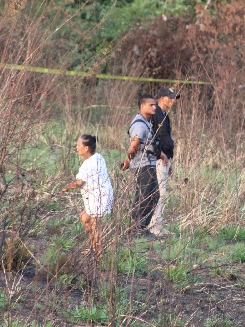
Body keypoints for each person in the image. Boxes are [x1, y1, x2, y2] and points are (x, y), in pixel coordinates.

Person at [121, 94, 168, 237]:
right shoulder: (140, 125)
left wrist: (160, 155)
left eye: (155, 105)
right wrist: (129, 160)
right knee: (143, 197)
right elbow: (134, 145)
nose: (154, 107)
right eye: (151, 105)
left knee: (153, 195)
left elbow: (147, 145)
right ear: (142, 106)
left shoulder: (147, 122)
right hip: (143, 165)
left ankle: (142, 228)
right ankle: (136, 229)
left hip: (148, 163)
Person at [61, 134, 114, 257]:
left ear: (86, 148)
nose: (77, 148)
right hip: (96, 195)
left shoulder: (88, 164)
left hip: (100, 196)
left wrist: (66, 187)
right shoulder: (98, 157)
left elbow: (79, 183)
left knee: (95, 224)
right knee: (85, 218)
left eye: (79, 145)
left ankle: (98, 252)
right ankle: (93, 246)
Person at [148, 87, 180, 237]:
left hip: (165, 159)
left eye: (174, 98)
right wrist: (161, 154)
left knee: (161, 192)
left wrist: (169, 160)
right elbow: (153, 138)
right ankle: (154, 226)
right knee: (159, 193)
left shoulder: (164, 115)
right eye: (170, 97)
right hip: (158, 159)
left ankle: (157, 224)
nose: (173, 100)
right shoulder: (156, 115)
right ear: (161, 97)